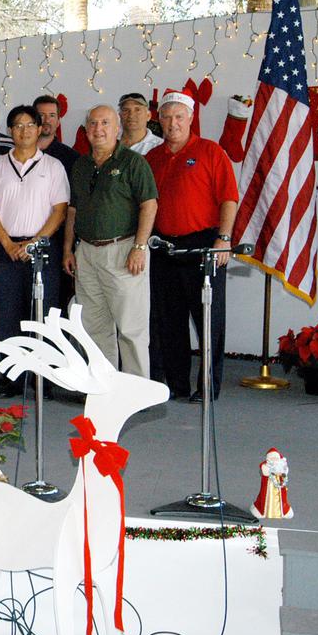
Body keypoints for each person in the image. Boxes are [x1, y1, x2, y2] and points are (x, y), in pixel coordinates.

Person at [145, 90, 238, 402]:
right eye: (167, 117)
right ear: (159, 121)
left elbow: (229, 198)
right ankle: (177, 385)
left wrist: (223, 240)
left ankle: (208, 387)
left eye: (179, 117)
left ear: (191, 118)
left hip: (203, 246)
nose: (173, 123)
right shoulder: (152, 158)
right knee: (168, 322)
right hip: (163, 248)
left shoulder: (211, 152)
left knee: (209, 321)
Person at [63, 105, 158, 377]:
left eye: (105, 123)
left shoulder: (133, 162)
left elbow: (149, 206)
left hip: (124, 251)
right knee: (95, 326)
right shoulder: (81, 165)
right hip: (87, 254)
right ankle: (103, 385)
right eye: (93, 123)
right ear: (86, 130)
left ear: (117, 129)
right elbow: (73, 210)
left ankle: (137, 390)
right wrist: (69, 249)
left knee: (130, 328)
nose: (98, 129)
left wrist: (140, 248)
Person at [0, 106, 69, 397]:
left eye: (30, 125)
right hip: (6, 251)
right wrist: (8, 244)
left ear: (39, 128)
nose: (24, 131)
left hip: (42, 250)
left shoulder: (53, 166)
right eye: (17, 126)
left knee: (44, 315)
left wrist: (33, 243)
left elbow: (60, 211)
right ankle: (13, 378)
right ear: (9, 130)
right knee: (8, 316)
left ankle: (44, 377)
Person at [33, 95, 79, 174]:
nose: (47, 120)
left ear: (58, 122)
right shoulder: (19, 152)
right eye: (41, 115)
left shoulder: (72, 158)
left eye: (52, 115)